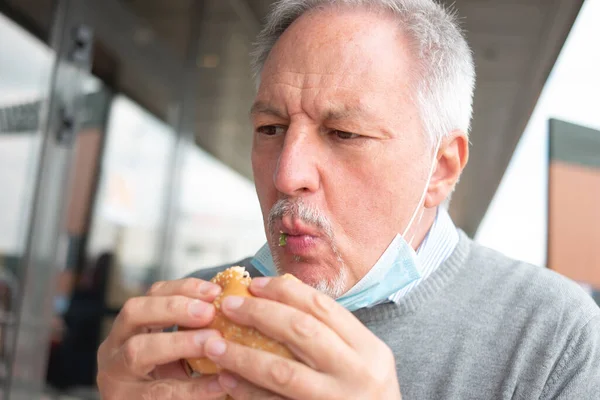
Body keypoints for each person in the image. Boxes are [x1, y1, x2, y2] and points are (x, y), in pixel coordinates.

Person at [96, 0, 600, 398]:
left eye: (343, 133)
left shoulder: (553, 337)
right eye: (270, 128)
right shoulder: (192, 318)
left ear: (441, 169)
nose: (287, 173)